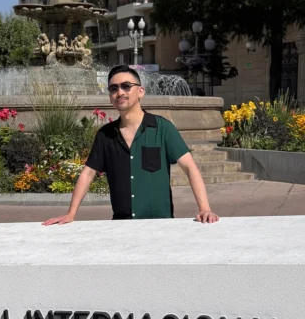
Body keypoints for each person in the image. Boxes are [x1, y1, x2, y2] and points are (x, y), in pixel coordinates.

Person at [44, 65, 218, 225]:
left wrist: (204, 209)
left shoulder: (162, 128)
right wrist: (71, 214)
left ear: (140, 91)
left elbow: (190, 167)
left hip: (160, 226)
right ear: (110, 96)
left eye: (126, 86)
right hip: (121, 226)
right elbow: (88, 173)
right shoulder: (105, 135)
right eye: (114, 88)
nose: (120, 92)